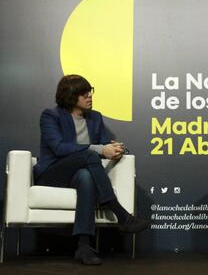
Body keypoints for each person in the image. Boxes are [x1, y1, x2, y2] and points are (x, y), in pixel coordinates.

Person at [33, 74, 149, 265]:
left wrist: (116, 149)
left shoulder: (95, 118)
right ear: (71, 96)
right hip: (53, 173)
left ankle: (84, 246)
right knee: (90, 154)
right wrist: (99, 149)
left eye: (90, 91)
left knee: (86, 177)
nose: (89, 96)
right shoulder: (51, 116)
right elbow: (59, 148)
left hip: (78, 173)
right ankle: (120, 214)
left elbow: (103, 146)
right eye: (84, 93)